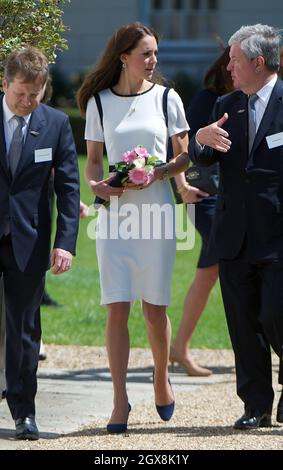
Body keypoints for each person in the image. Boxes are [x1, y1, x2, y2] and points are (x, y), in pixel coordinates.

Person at [77, 22, 189, 433]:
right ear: (123, 57)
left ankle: (161, 376)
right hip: (115, 217)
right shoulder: (99, 103)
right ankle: (119, 400)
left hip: (157, 214)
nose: (153, 60)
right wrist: (98, 186)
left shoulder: (167, 99)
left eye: (155, 53)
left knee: (155, 310)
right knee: (117, 307)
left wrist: (157, 173)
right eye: (146, 53)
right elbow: (92, 161)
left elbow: (184, 156)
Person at [189, 24, 283, 429]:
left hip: (279, 237)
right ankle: (256, 406)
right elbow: (204, 158)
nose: (228, 66)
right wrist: (200, 138)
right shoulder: (227, 103)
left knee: (276, 317)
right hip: (234, 235)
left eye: (235, 59)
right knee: (244, 327)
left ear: (258, 62)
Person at [0, 47, 80, 440]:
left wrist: (65, 242)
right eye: (20, 94)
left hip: (28, 241)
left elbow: (68, 187)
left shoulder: (55, 124)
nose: (28, 102)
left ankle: (23, 412)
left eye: (35, 95)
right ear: (5, 83)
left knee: (25, 329)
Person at [170, 47, 233, 377]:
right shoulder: (207, 99)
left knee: (210, 271)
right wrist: (182, 188)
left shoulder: (248, 100)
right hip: (203, 196)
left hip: (232, 199)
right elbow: (184, 146)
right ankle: (179, 348)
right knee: (224, 265)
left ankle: (179, 348)